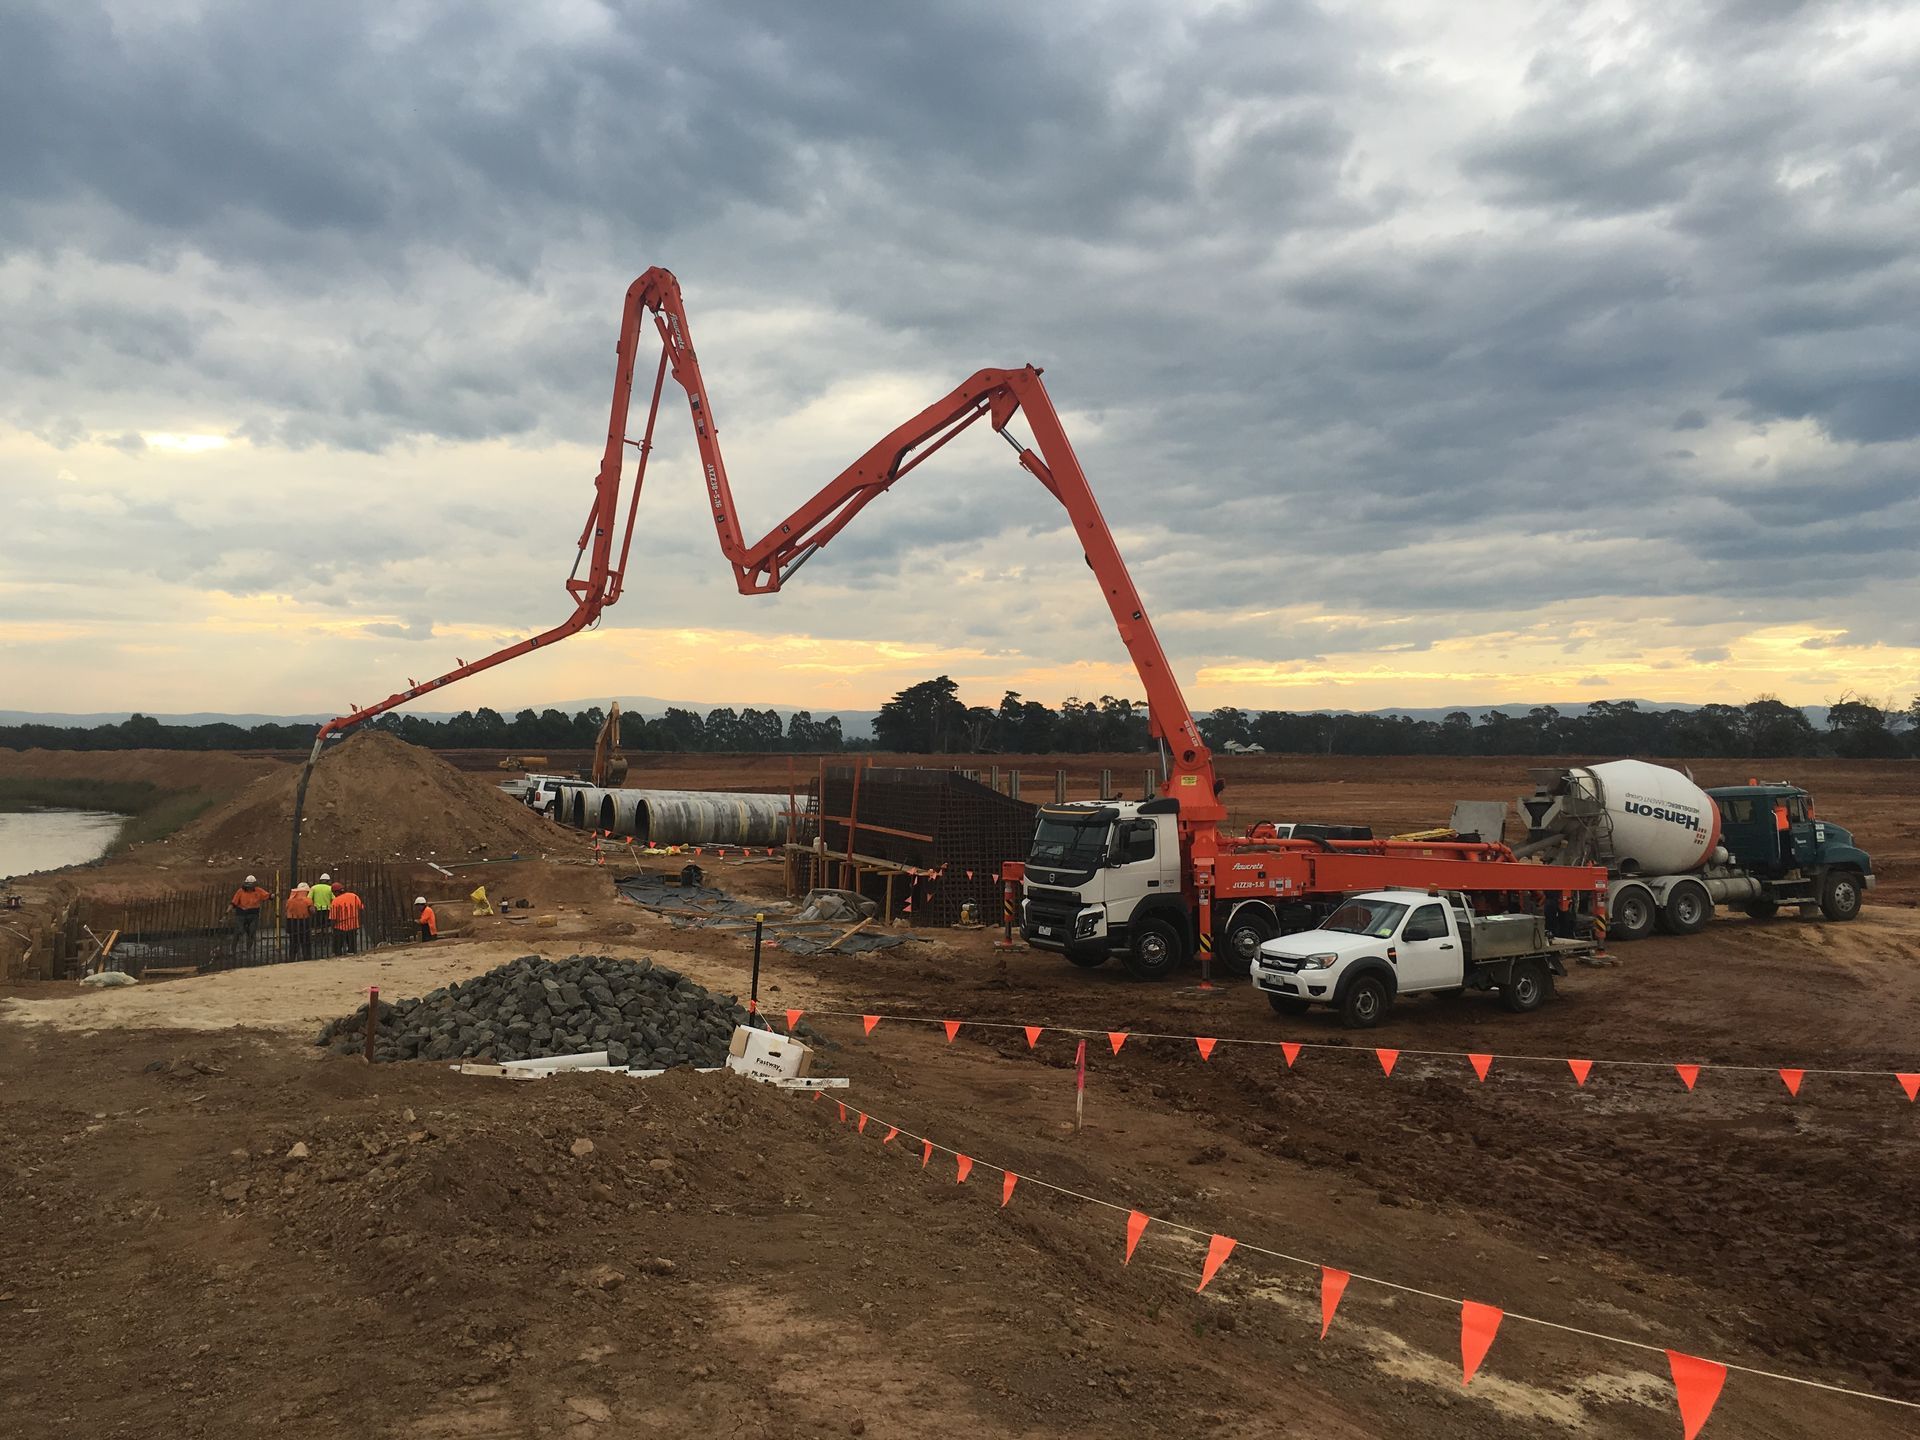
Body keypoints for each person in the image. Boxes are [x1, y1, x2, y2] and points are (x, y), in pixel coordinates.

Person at [230, 874, 271, 956]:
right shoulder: (240, 891)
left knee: (251, 932)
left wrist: (272, 896)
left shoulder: (258, 891)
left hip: (253, 914)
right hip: (241, 914)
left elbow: (267, 896)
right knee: (238, 931)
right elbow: (233, 903)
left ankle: (248, 949)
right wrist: (227, 912)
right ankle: (233, 950)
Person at [329, 880, 365, 956]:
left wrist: (332, 928)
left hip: (340, 927)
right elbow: (361, 908)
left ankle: (338, 956)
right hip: (353, 925)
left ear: (336, 892)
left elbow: (333, 918)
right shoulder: (354, 896)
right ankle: (352, 954)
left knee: (337, 948)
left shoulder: (335, 901)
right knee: (352, 948)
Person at [285, 882, 315, 961]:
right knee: (305, 941)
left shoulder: (290, 900)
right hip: (304, 922)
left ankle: (292, 957)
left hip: (291, 922)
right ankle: (306, 957)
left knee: (293, 942)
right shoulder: (307, 900)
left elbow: (287, 909)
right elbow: (312, 911)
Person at [310, 872, 335, 945]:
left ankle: (318, 940)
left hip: (317, 910)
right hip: (327, 910)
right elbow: (334, 899)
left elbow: (309, 899)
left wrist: (312, 906)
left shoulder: (314, 888)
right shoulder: (330, 888)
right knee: (327, 926)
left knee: (317, 926)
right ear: (328, 881)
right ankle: (326, 940)